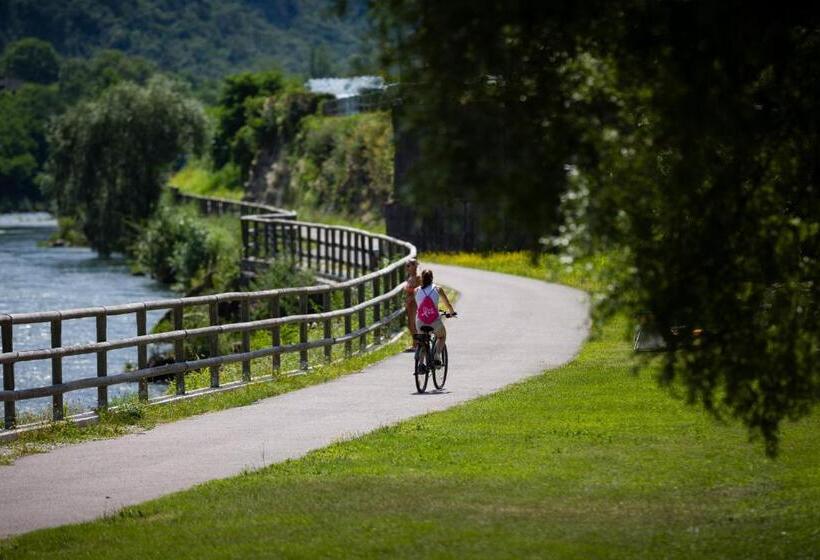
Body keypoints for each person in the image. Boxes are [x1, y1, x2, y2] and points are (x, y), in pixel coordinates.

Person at [414, 268, 456, 365]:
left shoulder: (416, 290)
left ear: (421, 278)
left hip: (420, 321)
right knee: (442, 336)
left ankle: (420, 364)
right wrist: (452, 312)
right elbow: (448, 304)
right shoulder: (437, 289)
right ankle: (437, 355)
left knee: (423, 341)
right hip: (434, 321)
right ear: (432, 278)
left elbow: (418, 306)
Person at [404, 258, 421, 352]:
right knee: (409, 325)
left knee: (413, 324)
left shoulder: (417, 277)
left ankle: (417, 345)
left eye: (408, 266)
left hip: (414, 303)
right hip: (410, 303)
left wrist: (410, 298)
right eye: (406, 266)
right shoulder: (410, 277)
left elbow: (418, 290)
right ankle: (415, 343)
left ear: (414, 266)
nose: (406, 268)